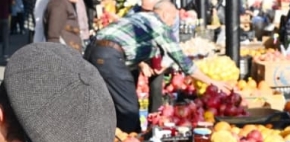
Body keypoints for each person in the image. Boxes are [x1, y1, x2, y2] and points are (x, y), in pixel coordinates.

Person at [85, 0, 232, 133]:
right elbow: (182, 59)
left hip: (92, 51)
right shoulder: (158, 24)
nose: (173, 22)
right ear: (164, 13)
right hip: (109, 57)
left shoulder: (138, 18)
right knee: (128, 109)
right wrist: (212, 82)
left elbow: (126, 44)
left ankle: (100, 138)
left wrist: (142, 63)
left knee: (101, 102)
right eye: (173, 18)